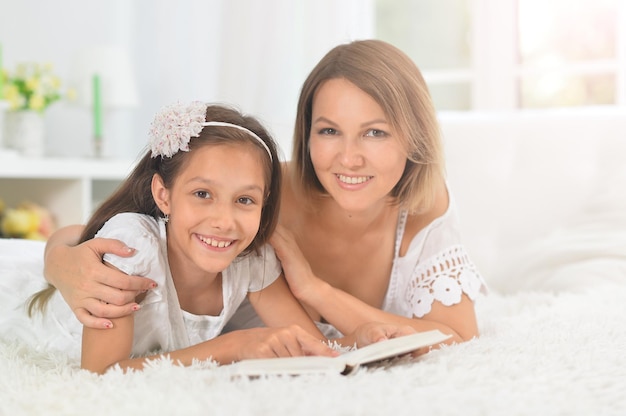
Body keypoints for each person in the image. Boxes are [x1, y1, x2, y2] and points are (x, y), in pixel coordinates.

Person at [42, 40, 486, 350]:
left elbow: (457, 336)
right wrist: (59, 263)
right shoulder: (259, 193)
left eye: (375, 133)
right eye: (329, 131)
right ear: (306, 134)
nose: (349, 158)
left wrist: (315, 290)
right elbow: (119, 228)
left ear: (413, 138)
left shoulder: (424, 206)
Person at [4, 101, 344, 375]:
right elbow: (100, 374)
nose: (225, 222)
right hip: (20, 303)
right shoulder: (134, 248)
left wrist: (363, 339)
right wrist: (231, 347)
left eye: (245, 200)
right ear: (163, 195)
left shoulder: (251, 257)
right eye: (202, 193)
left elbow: (315, 348)